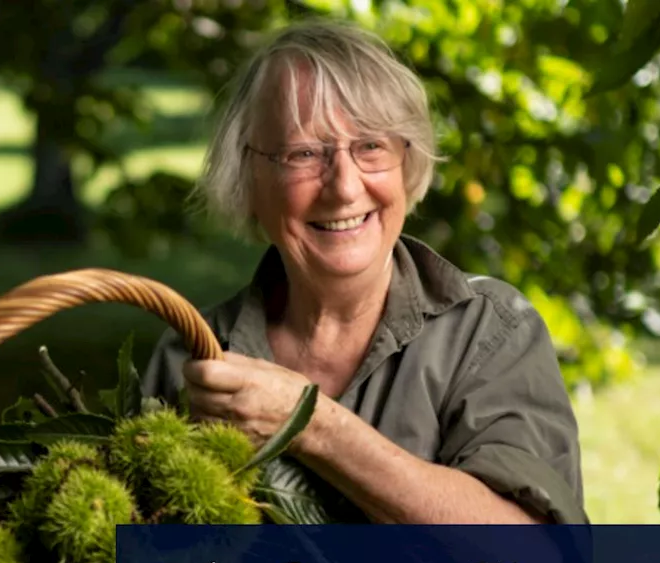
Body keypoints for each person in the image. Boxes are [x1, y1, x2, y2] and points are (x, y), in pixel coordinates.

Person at [140, 19, 587, 526]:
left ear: (406, 161)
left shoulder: (488, 332)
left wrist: (309, 422)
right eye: (303, 153)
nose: (345, 188)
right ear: (248, 177)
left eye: (371, 146)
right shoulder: (193, 356)